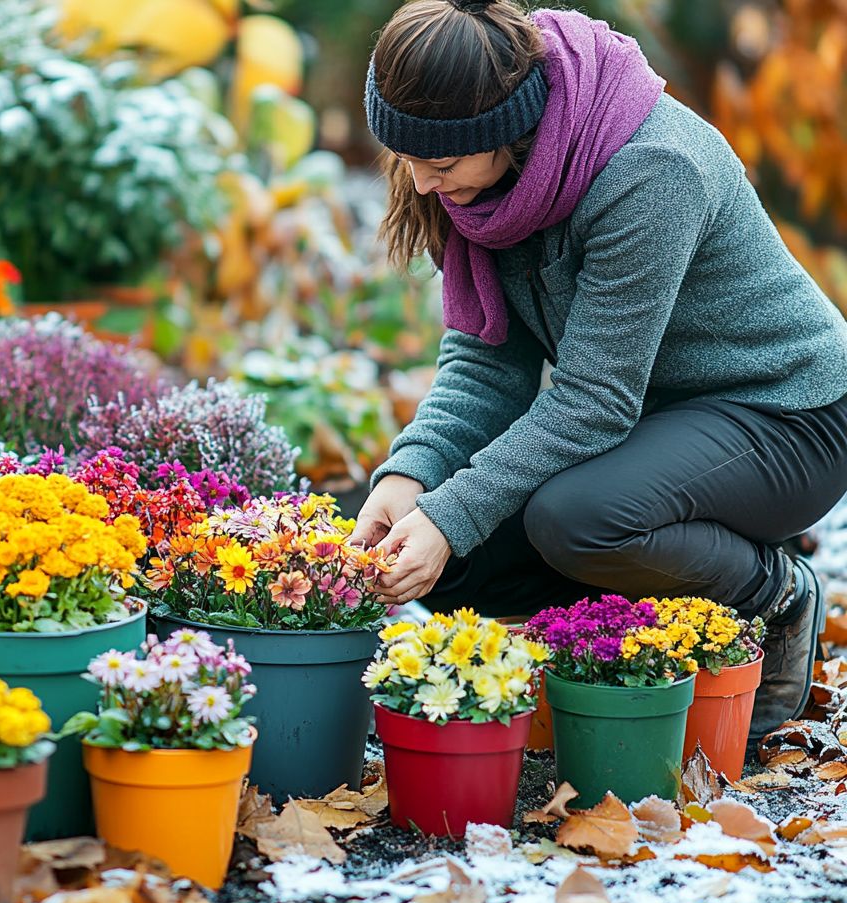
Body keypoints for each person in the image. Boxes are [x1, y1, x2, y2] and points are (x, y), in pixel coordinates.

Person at [349, 0, 847, 743]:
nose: (420, 184)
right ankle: (647, 632)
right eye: (408, 158)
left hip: (786, 417)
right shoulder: (494, 186)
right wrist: (410, 480)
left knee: (573, 519)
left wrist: (451, 516)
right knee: (451, 558)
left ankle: (770, 593)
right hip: (659, 423)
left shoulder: (649, 170)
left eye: (440, 164)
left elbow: (592, 404)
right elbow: (489, 364)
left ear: (502, 129)